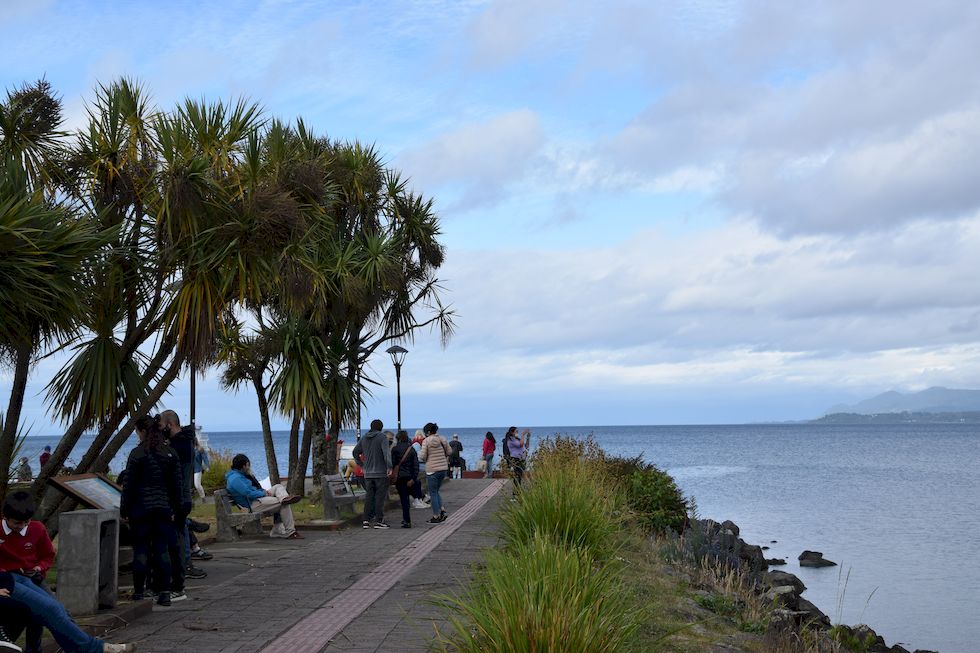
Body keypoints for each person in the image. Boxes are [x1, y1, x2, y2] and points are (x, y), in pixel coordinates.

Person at [121, 415, 187, 606]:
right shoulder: (169, 453)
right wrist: (177, 509)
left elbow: (129, 485)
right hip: (163, 509)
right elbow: (177, 485)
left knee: (141, 549)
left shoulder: (137, 454)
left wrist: (125, 509)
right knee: (161, 550)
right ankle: (164, 593)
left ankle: (140, 593)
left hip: (140, 510)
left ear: (141, 431)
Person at [0, 569, 136, 652]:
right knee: (48, 609)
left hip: (13, 575)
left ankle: (79, 649)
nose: (22, 526)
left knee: (59, 610)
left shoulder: (33, 529)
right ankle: (95, 648)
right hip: (6, 581)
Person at [0, 491, 56, 651]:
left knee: (47, 609)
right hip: (7, 578)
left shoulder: (37, 529)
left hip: (33, 577)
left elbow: (47, 555)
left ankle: (34, 649)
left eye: (26, 522)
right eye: (17, 523)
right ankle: (7, 644)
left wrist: (39, 568)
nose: (22, 527)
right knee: (18, 611)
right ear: (5, 517)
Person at [159, 411, 205, 580]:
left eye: (163, 426)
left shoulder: (178, 446)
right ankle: (185, 562)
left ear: (169, 425)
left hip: (179, 494)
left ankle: (184, 563)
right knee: (181, 528)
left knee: (179, 530)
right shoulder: (186, 441)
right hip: (184, 494)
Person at [225, 454, 302, 538]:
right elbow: (248, 494)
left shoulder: (240, 475)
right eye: (248, 465)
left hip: (258, 499)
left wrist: (262, 491)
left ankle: (284, 498)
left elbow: (252, 489)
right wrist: (263, 493)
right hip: (252, 504)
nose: (249, 467)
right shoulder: (236, 479)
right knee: (283, 504)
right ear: (243, 466)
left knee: (278, 487)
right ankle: (290, 532)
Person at [351, 419, 392, 529]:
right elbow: (386, 453)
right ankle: (379, 521)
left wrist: (361, 464)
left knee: (369, 497)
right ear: (381, 428)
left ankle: (366, 520)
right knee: (379, 497)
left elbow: (355, 452)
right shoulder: (382, 437)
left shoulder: (364, 438)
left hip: (368, 473)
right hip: (380, 472)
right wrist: (389, 467)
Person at [418, 422, 451, 524]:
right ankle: (442, 510)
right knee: (436, 491)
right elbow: (449, 452)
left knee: (433, 493)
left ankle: (436, 516)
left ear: (428, 432)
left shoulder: (426, 441)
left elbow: (422, 457)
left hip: (432, 470)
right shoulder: (442, 439)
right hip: (443, 469)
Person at [389, 430, 419, 529]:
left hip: (399, 477)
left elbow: (392, 464)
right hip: (410, 477)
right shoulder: (411, 449)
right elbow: (416, 466)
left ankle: (406, 520)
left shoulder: (395, 449)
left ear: (397, 438)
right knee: (409, 497)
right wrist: (413, 478)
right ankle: (407, 518)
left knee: (404, 499)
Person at [504, 427, 530, 492]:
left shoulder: (517, 439)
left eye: (517, 431)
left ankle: (518, 491)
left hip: (522, 459)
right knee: (517, 476)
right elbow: (521, 445)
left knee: (520, 476)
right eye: (516, 431)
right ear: (512, 432)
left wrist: (528, 437)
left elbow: (526, 446)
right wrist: (522, 435)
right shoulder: (510, 440)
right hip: (516, 459)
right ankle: (515, 493)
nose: (517, 433)